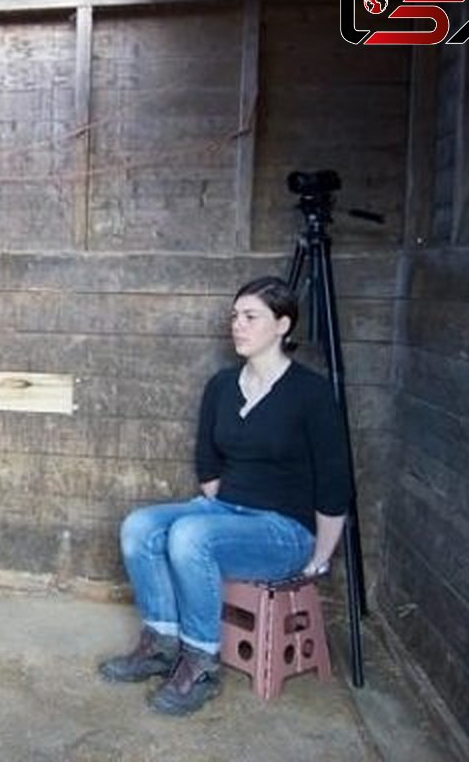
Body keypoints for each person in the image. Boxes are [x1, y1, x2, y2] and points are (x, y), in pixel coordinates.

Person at [98, 275, 351, 716]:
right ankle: (161, 643)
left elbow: (335, 481)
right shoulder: (221, 385)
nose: (238, 325)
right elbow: (208, 462)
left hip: (285, 531)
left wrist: (321, 557)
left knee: (191, 537)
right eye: (235, 316)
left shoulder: (311, 393)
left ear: (282, 325)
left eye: (251, 317)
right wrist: (218, 512)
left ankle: (200, 663)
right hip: (225, 512)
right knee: (139, 526)